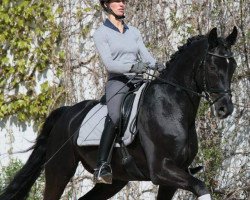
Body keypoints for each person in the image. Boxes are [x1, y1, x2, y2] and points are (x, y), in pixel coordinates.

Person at [93, 0, 165, 184]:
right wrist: (133, 66)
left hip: (139, 80)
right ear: (107, 5)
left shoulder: (134, 32)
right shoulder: (101, 33)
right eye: (117, 1)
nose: (122, 4)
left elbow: (145, 55)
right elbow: (110, 64)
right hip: (119, 82)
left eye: (123, 1)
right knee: (116, 115)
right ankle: (101, 165)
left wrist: (156, 64)